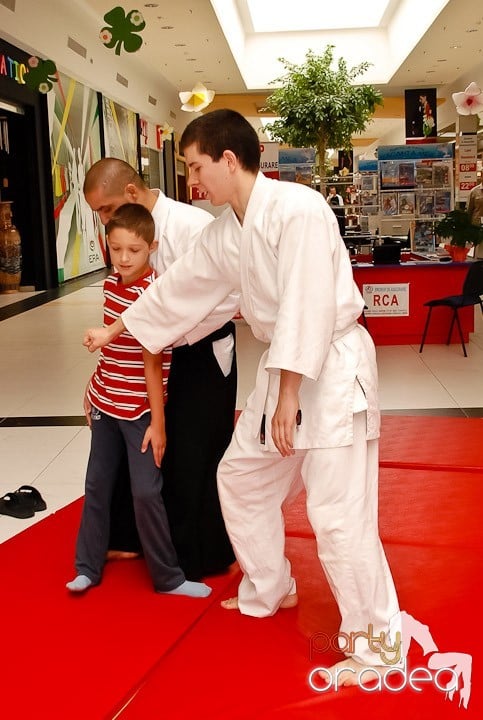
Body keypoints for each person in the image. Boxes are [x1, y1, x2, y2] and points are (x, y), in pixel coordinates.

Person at [83, 109, 400, 681]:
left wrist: (287, 394)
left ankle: (376, 641)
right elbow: (180, 288)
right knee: (241, 477)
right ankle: (270, 583)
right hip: (284, 367)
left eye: (196, 165)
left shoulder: (298, 210)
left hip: (326, 366)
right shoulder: (229, 230)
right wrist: (113, 331)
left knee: (337, 514)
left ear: (229, 160)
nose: (193, 179)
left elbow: (309, 302)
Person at [83, 158, 237, 580]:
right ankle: (135, 539)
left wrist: (166, 329)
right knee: (139, 446)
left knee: (191, 452)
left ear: (131, 192)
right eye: (98, 213)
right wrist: (101, 376)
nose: (105, 220)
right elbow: (118, 311)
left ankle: (199, 553)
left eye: (106, 208)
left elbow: (228, 296)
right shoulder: (125, 234)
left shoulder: (191, 226)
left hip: (199, 349)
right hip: (142, 356)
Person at [67, 203, 211, 598]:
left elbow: (152, 363)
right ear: (106, 246)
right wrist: (93, 387)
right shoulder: (111, 284)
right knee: (96, 484)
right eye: (116, 249)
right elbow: (112, 352)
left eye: (134, 249)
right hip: (105, 404)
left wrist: (158, 423)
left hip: (139, 412)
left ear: (153, 247)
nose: (125, 258)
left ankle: (169, 577)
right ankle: (87, 567)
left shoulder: (156, 293)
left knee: (146, 491)